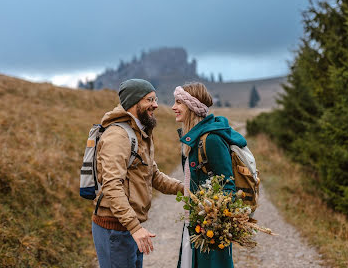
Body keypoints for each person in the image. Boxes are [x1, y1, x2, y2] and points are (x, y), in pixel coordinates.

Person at [92, 78, 184, 268]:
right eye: (149, 100)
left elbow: (153, 175)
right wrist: (134, 227)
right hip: (115, 229)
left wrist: (183, 188)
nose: (155, 105)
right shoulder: (118, 136)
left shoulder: (139, 133)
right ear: (135, 102)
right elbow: (111, 185)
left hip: (127, 227)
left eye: (155, 99)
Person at [172, 82, 247, 268]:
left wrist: (213, 224)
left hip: (210, 231)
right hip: (195, 225)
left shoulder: (211, 139)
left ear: (191, 106)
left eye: (178, 102)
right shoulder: (192, 139)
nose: (174, 107)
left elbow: (229, 186)